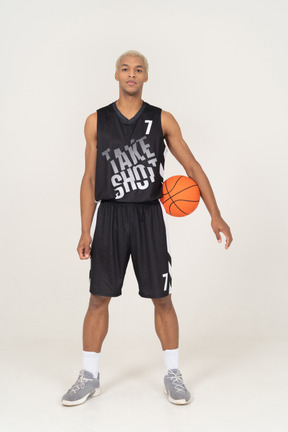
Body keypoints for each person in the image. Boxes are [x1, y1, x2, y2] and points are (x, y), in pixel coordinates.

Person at [61, 50, 233, 407]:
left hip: (149, 217)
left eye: (138, 69)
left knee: (162, 297)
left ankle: (172, 373)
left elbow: (193, 167)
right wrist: (84, 228)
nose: (131, 74)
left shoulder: (163, 119)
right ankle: (89, 376)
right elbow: (90, 177)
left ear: (146, 77)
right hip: (109, 215)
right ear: (116, 74)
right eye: (125, 69)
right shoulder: (96, 121)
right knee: (98, 298)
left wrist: (214, 214)